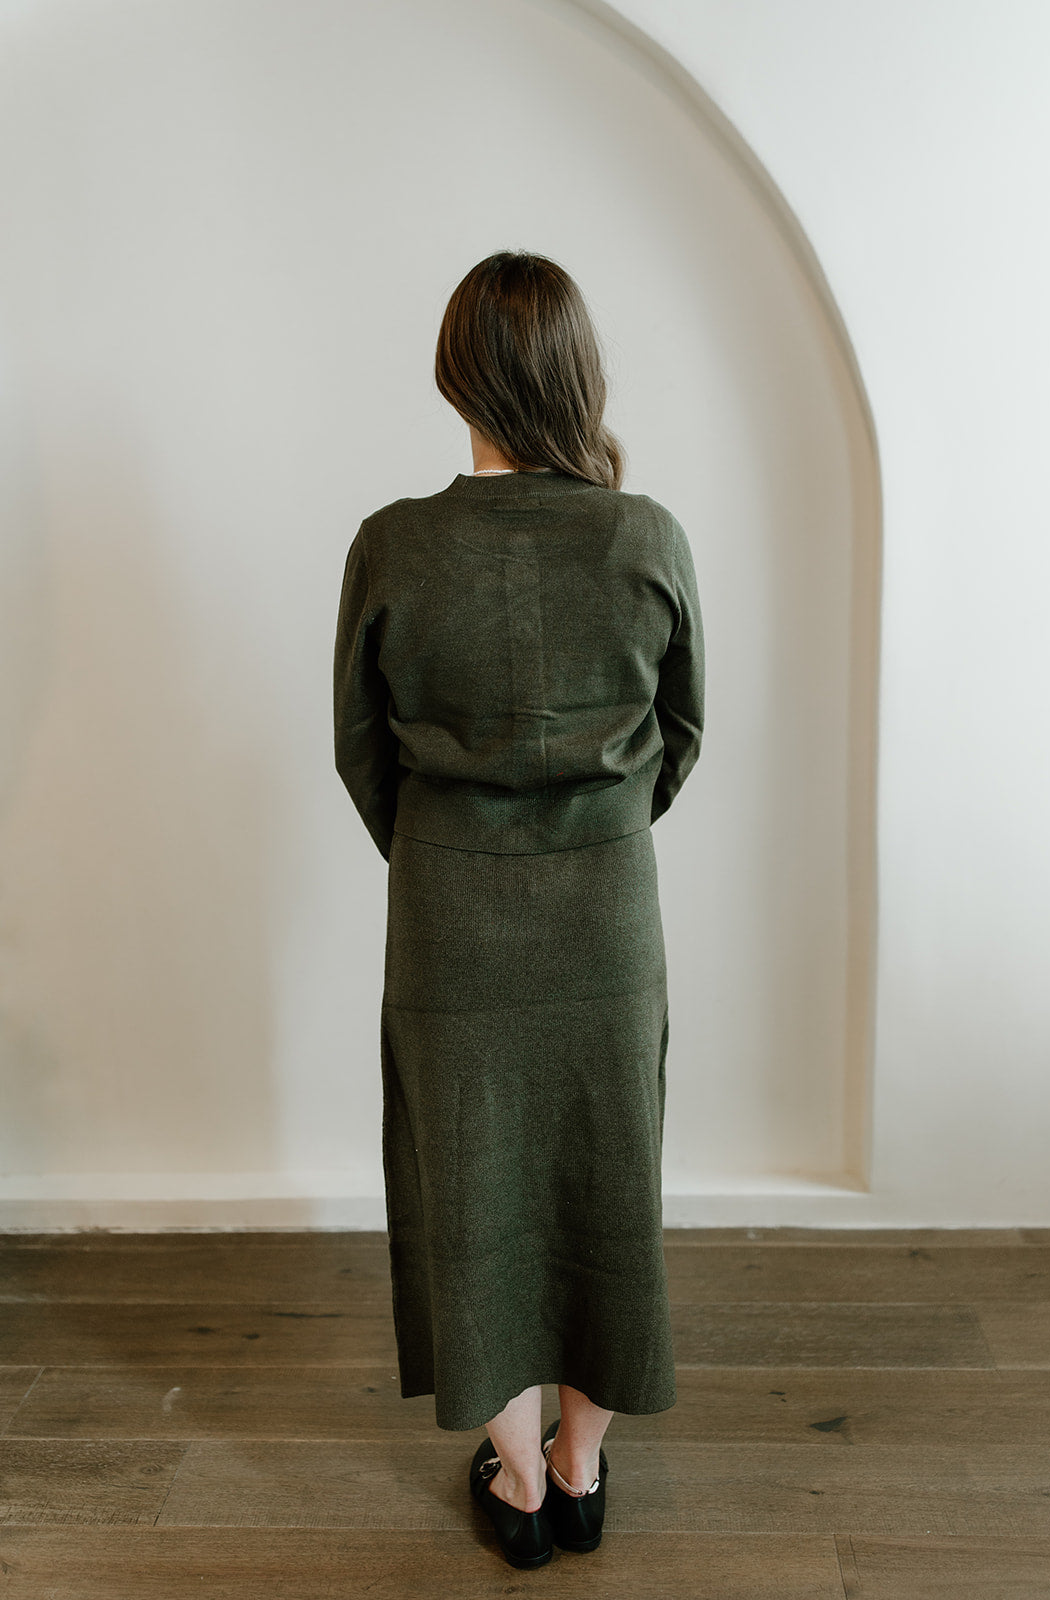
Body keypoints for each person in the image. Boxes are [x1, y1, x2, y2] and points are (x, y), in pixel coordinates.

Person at [333, 250, 704, 1569]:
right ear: (576, 372)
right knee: (611, 1186)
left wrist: (447, 852)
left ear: (456, 378)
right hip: (609, 918)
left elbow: (362, 754)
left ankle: (520, 1478)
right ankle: (581, 1464)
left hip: (449, 926)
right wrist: (595, 837)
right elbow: (681, 735)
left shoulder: (392, 545)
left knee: (466, 1197)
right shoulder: (646, 537)